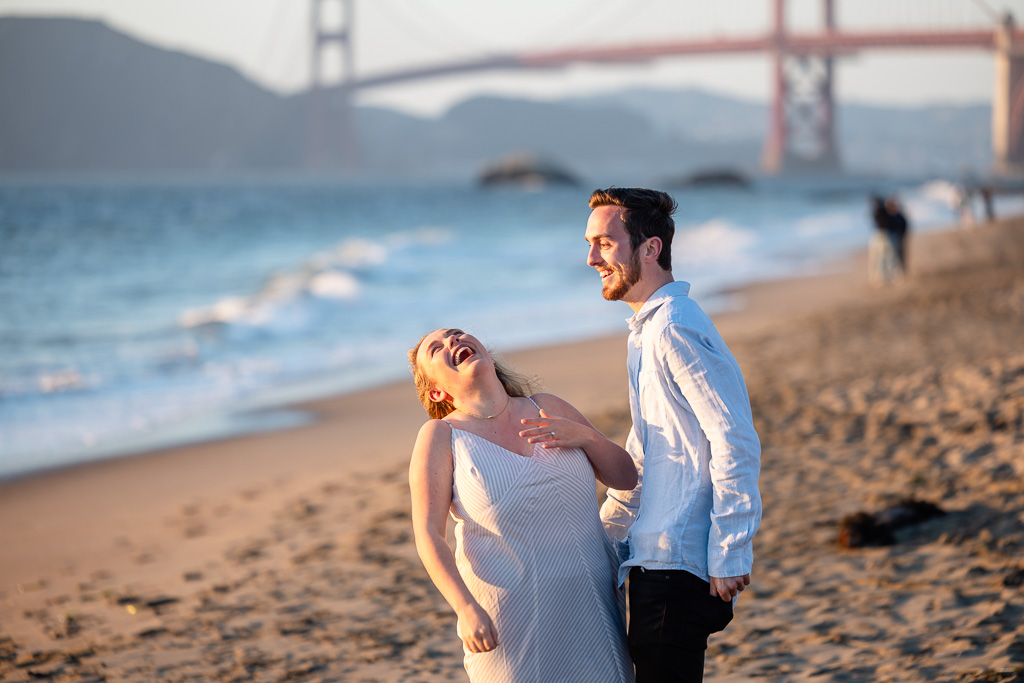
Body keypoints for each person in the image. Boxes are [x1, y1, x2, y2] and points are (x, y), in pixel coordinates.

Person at [585, 187, 762, 683]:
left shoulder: (674, 329)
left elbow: (735, 439)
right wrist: (605, 540)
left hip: (677, 564)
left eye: (604, 242)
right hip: (651, 559)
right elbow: (647, 455)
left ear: (650, 248)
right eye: (590, 242)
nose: (591, 256)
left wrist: (731, 549)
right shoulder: (646, 331)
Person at [408, 327, 637, 683]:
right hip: (509, 623)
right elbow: (428, 535)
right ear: (437, 390)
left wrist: (588, 438)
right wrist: (465, 608)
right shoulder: (441, 436)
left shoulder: (548, 406)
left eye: (457, 334)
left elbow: (625, 477)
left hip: (592, 608)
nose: (452, 341)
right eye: (436, 348)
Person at [868, 194, 900, 286]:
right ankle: (885, 278)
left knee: (879, 258)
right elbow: (888, 224)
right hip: (884, 236)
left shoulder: (876, 213)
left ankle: (880, 278)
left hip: (878, 236)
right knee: (887, 257)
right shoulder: (883, 213)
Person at [884, 195, 909, 275]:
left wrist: (902, 235)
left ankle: (901, 271)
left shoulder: (898, 215)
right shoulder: (889, 216)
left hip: (899, 237)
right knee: (892, 255)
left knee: (899, 254)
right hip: (893, 238)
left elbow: (904, 226)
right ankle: (895, 271)